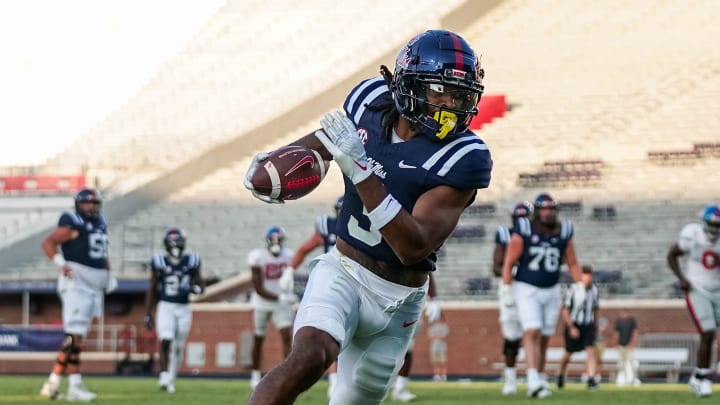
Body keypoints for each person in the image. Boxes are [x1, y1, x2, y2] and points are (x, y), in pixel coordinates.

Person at [244, 29, 490, 405]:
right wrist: (274, 164)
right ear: (408, 84)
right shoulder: (370, 101)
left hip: (398, 299)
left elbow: (413, 246)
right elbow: (330, 140)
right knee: (310, 354)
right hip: (343, 270)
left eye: (461, 95)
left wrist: (361, 171)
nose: (452, 105)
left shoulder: (464, 156)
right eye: (441, 91)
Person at [500, 192, 586, 398]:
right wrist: (506, 287)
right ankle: (531, 379)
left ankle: (539, 376)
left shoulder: (564, 230)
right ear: (537, 212)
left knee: (546, 336)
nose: (548, 214)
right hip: (526, 287)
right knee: (532, 331)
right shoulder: (525, 229)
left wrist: (580, 286)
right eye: (544, 209)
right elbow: (509, 262)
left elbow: (573, 262)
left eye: (551, 209)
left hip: (552, 287)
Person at [39, 188, 116, 401]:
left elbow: (103, 253)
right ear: (78, 204)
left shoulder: (101, 222)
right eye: (87, 203)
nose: (91, 206)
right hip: (77, 285)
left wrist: (109, 274)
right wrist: (60, 264)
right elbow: (48, 243)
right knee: (73, 336)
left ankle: (54, 382)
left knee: (76, 338)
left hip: (92, 287)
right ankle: (72, 385)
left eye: (95, 202)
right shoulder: (72, 222)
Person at [288, 196, 343, 399]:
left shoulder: (364, 222)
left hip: (355, 283)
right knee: (330, 333)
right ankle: (334, 382)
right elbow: (304, 249)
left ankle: (340, 382)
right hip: (331, 284)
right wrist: (289, 270)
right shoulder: (328, 226)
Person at [667, 204, 720, 397]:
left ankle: (698, 376)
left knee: (711, 333)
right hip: (697, 288)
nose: (714, 229)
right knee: (708, 332)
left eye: (717, 226)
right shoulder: (693, 235)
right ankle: (703, 379)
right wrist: (682, 278)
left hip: (717, 290)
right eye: (711, 225)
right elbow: (672, 254)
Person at [144, 228, 204, 394]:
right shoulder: (159, 262)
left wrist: (196, 288)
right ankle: (164, 376)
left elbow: (201, 284)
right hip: (166, 305)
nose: (175, 246)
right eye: (172, 243)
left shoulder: (192, 260)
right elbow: (152, 288)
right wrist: (148, 312)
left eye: (177, 242)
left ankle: (171, 377)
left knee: (178, 347)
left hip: (184, 307)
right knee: (166, 339)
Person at [248, 226, 297, 390]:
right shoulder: (258, 257)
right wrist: (281, 296)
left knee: (286, 336)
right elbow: (258, 288)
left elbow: (290, 278)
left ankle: (287, 374)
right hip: (262, 303)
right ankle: (255, 375)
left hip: (281, 304)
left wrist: (288, 294)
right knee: (258, 338)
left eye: (279, 240)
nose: (276, 243)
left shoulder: (289, 256)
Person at [492, 200, 533, 395]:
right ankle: (510, 379)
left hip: (532, 287)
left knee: (534, 331)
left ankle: (535, 376)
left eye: (525, 218)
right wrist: (513, 270)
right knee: (511, 334)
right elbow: (496, 267)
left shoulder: (538, 236)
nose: (521, 222)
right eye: (519, 218)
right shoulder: (505, 234)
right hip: (511, 286)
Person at [390, 273, 441, 402]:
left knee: (407, 347)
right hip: (385, 293)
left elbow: (426, 268)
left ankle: (400, 388)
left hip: (412, 297)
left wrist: (434, 297)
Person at [557, 265, 600, 391]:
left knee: (591, 351)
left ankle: (591, 379)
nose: (587, 278)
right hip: (574, 324)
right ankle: (560, 373)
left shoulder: (594, 291)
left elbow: (596, 309)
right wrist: (571, 327)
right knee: (568, 353)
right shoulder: (573, 289)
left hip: (588, 325)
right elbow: (565, 310)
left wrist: (595, 325)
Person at [613, 309, 640, 387]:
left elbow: (635, 332)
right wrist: (616, 343)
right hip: (621, 345)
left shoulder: (631, 321)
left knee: (631, 361)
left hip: (629, 345)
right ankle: (623, 378)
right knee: (621, 362)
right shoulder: (619, 321)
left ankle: (633, 378)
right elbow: (616, 333)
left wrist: (632, 343)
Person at [427, 313, 450, 382]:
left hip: (442, 348)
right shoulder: (432, 327)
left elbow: (444, 336)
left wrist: (436, 336)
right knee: (435, 362)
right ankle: (437, 376)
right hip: (434, 347)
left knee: (443, 362)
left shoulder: (445, 326)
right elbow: (430, 337)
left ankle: (443, 376)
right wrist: (438, 336)